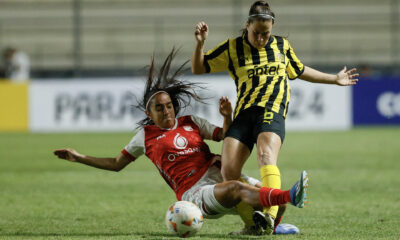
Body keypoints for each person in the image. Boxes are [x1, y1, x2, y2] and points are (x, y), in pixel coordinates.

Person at [53, 49, 309, 236]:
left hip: (219, 174)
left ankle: (259, 229)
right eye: (159, 108)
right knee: (244, 190)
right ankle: (290, 194)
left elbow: (227, 138)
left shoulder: (192, 122)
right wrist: (79, 157)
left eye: (169, 106)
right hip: (195, 193)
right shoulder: (145, 136)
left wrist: (227, 117)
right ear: (148, 113)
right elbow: (116, 163)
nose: (167, 112)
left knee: (277, 205)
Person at [191, 0, 358, 234]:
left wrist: (334, 78)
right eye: (256, 33)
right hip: (244, 114)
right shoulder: (232, 48)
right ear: (247, 25)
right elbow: (199, 68)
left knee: (265, 154)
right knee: (228, 173)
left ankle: (269, 215)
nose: (261, 39)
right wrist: (200, 44)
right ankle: (252, 225)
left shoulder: (282, 45)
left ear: (272, 29)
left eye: (265, 34)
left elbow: (299, 70)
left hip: (272, 109)